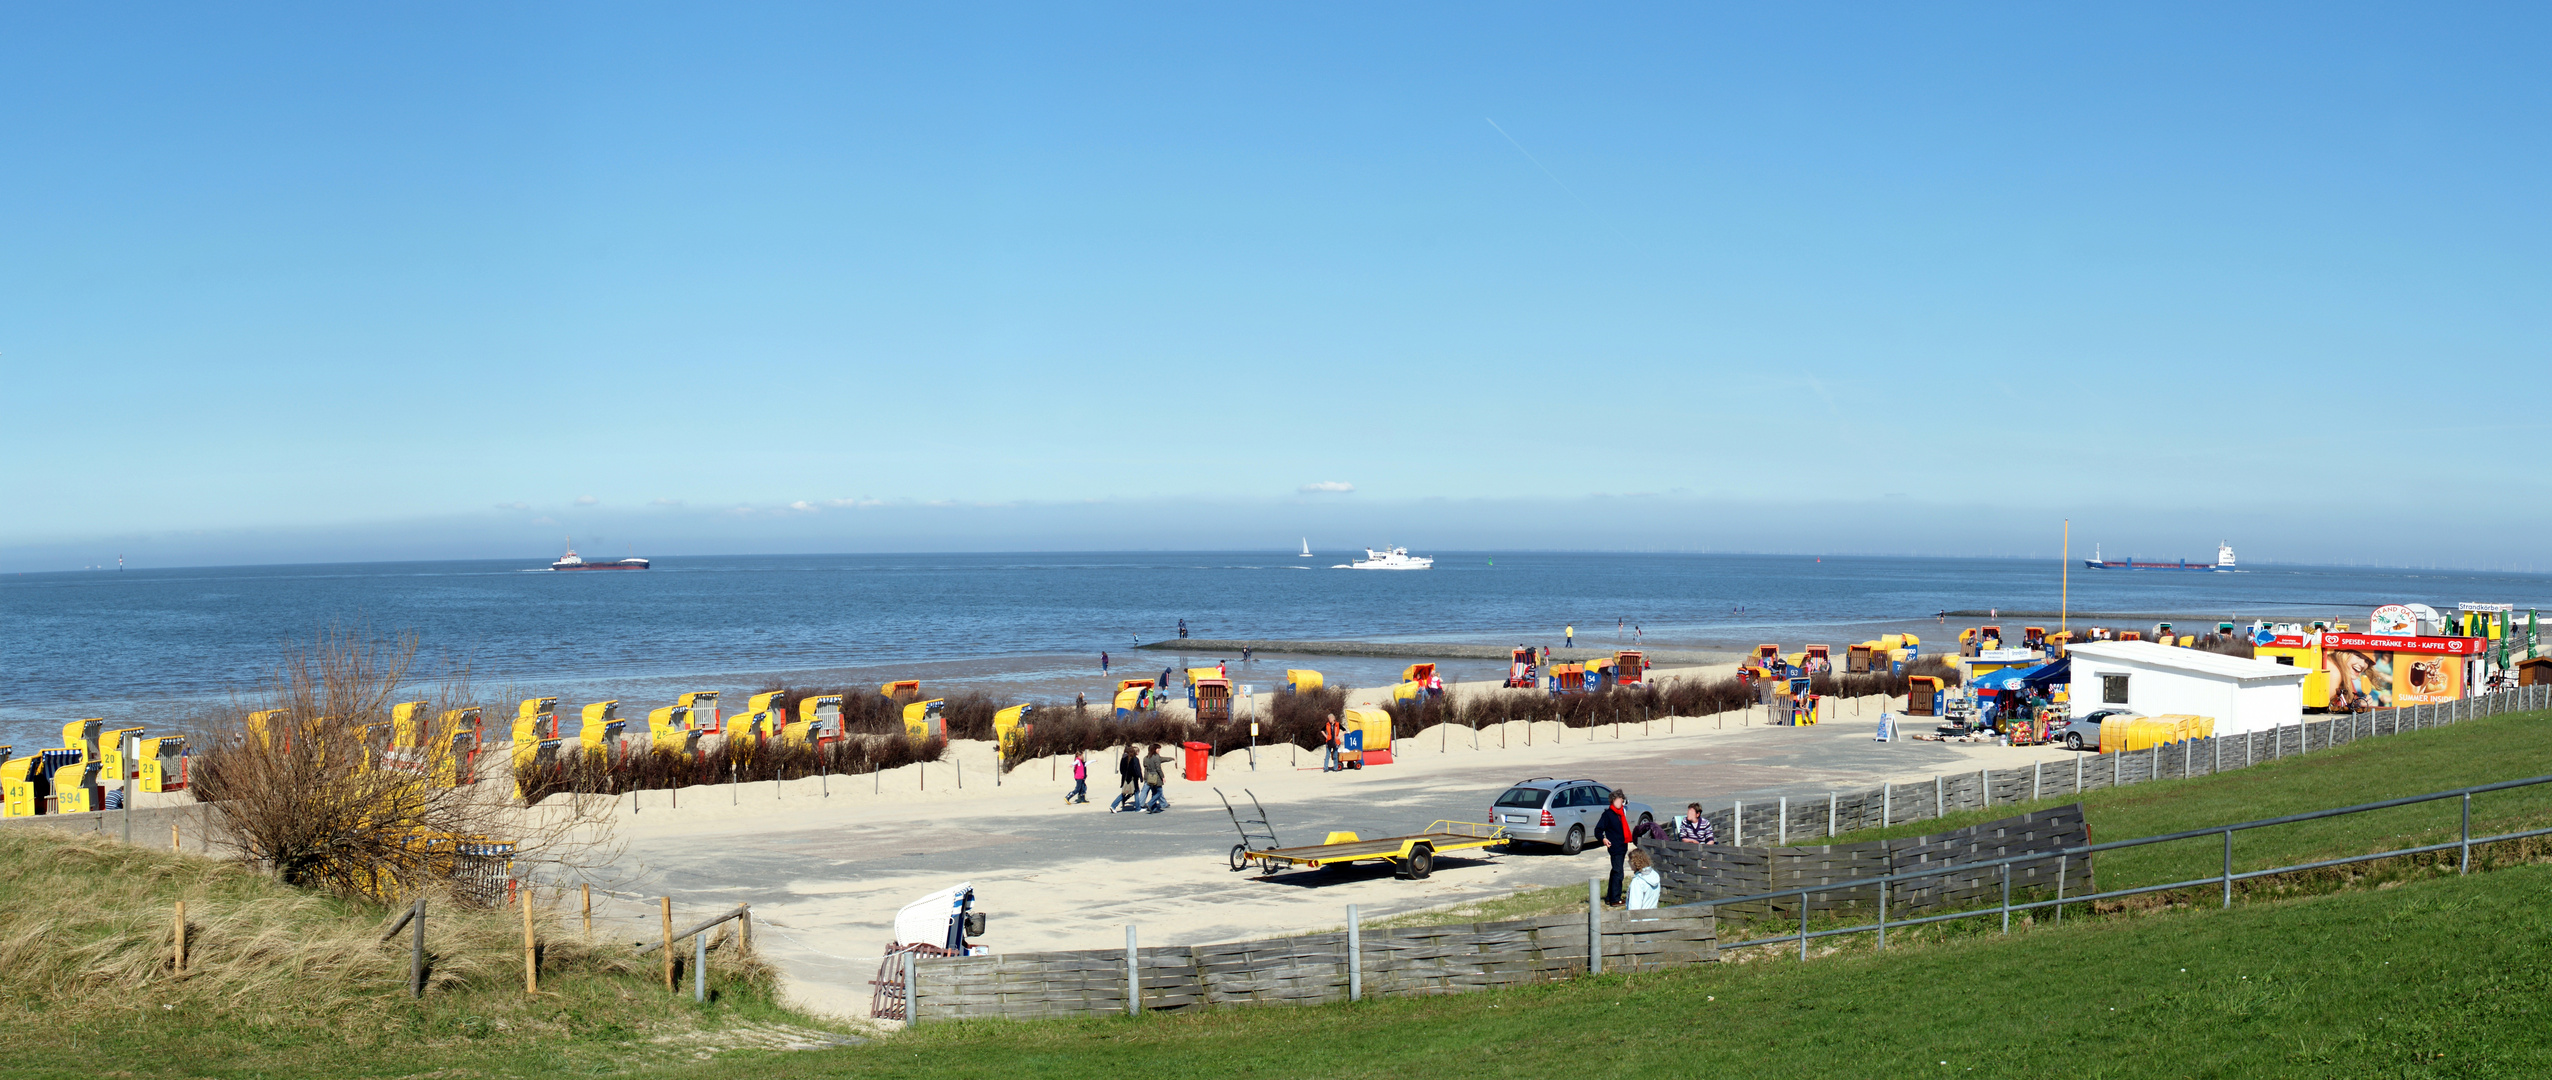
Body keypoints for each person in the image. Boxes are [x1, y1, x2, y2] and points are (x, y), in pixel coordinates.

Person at [1596, 790, 1634, 907]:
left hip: (1622, 846)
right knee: (1619, 873)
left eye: (1622, 800)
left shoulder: (1621, 813)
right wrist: (1603, 839)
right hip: (1615, 847)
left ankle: (1609, 897)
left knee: (1614, 872)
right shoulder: (1608, 814)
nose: (1621, 802)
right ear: (1613, 800)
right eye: (1618, 800)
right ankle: (1615, 899)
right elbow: (1598, 830)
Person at [1109, 745, 1142, 812]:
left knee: (1129, 792)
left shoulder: (1124, 758)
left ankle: (1115, 805)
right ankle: (1137, 808)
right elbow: (1136, 770)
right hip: (1131, 779)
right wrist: (1140, 776)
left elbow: (1121, 769)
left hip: (1125, 778)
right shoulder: (1134, 759)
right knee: (1134, 792)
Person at [1140, 743, 1171, 812]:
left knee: (1154, 792)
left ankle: (1154, 808)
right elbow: (1158, 768)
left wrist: (1170, 759)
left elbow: (1145, 766)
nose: (1159, 750)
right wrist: (1162, 777)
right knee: (1159, 792)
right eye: (1158, 749)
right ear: (1155, 749)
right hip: (1155, 776)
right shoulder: (1156, 757)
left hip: (1149, 776)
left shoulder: (1146, 757)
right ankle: (1150, 803)